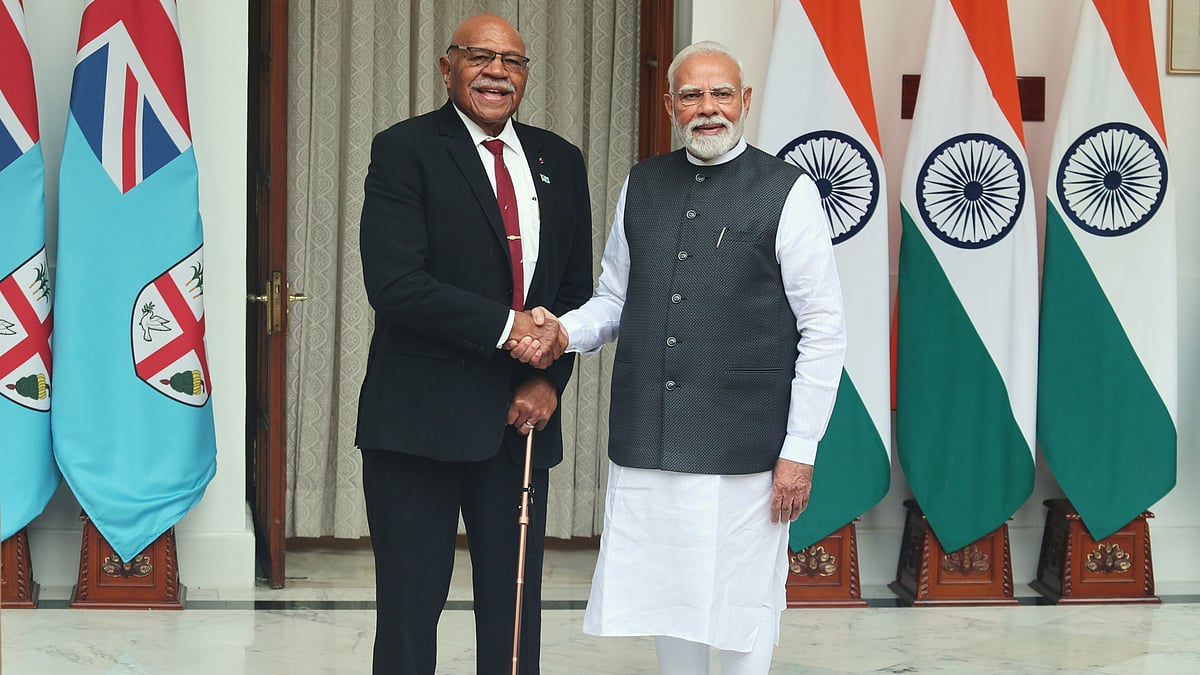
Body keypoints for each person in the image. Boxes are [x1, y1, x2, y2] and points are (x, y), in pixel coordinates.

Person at [514, 40, 846, 674]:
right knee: (669, 598)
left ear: (745, 101)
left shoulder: (788, 191)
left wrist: (800, 450)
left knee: (743, 603)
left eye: (722, 94)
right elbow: (615, 297)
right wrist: (560, 332)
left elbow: (824, 329)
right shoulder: (643, 183)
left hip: (745, 445)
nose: (708, 108)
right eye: (692, 95)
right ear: (670, 105)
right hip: (651, 436)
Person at [355, 13, 593, 675]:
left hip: (520, 422)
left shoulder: (560, 160)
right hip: (417, 424)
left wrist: (548, 379)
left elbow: (575, 292)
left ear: (525, 75)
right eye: (479, 57)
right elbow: (395, 284)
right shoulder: (404, 150)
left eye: (512, 61)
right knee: (408, 614)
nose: (496, 72)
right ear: (447, 67)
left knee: (514, 616)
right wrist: (511, 327)